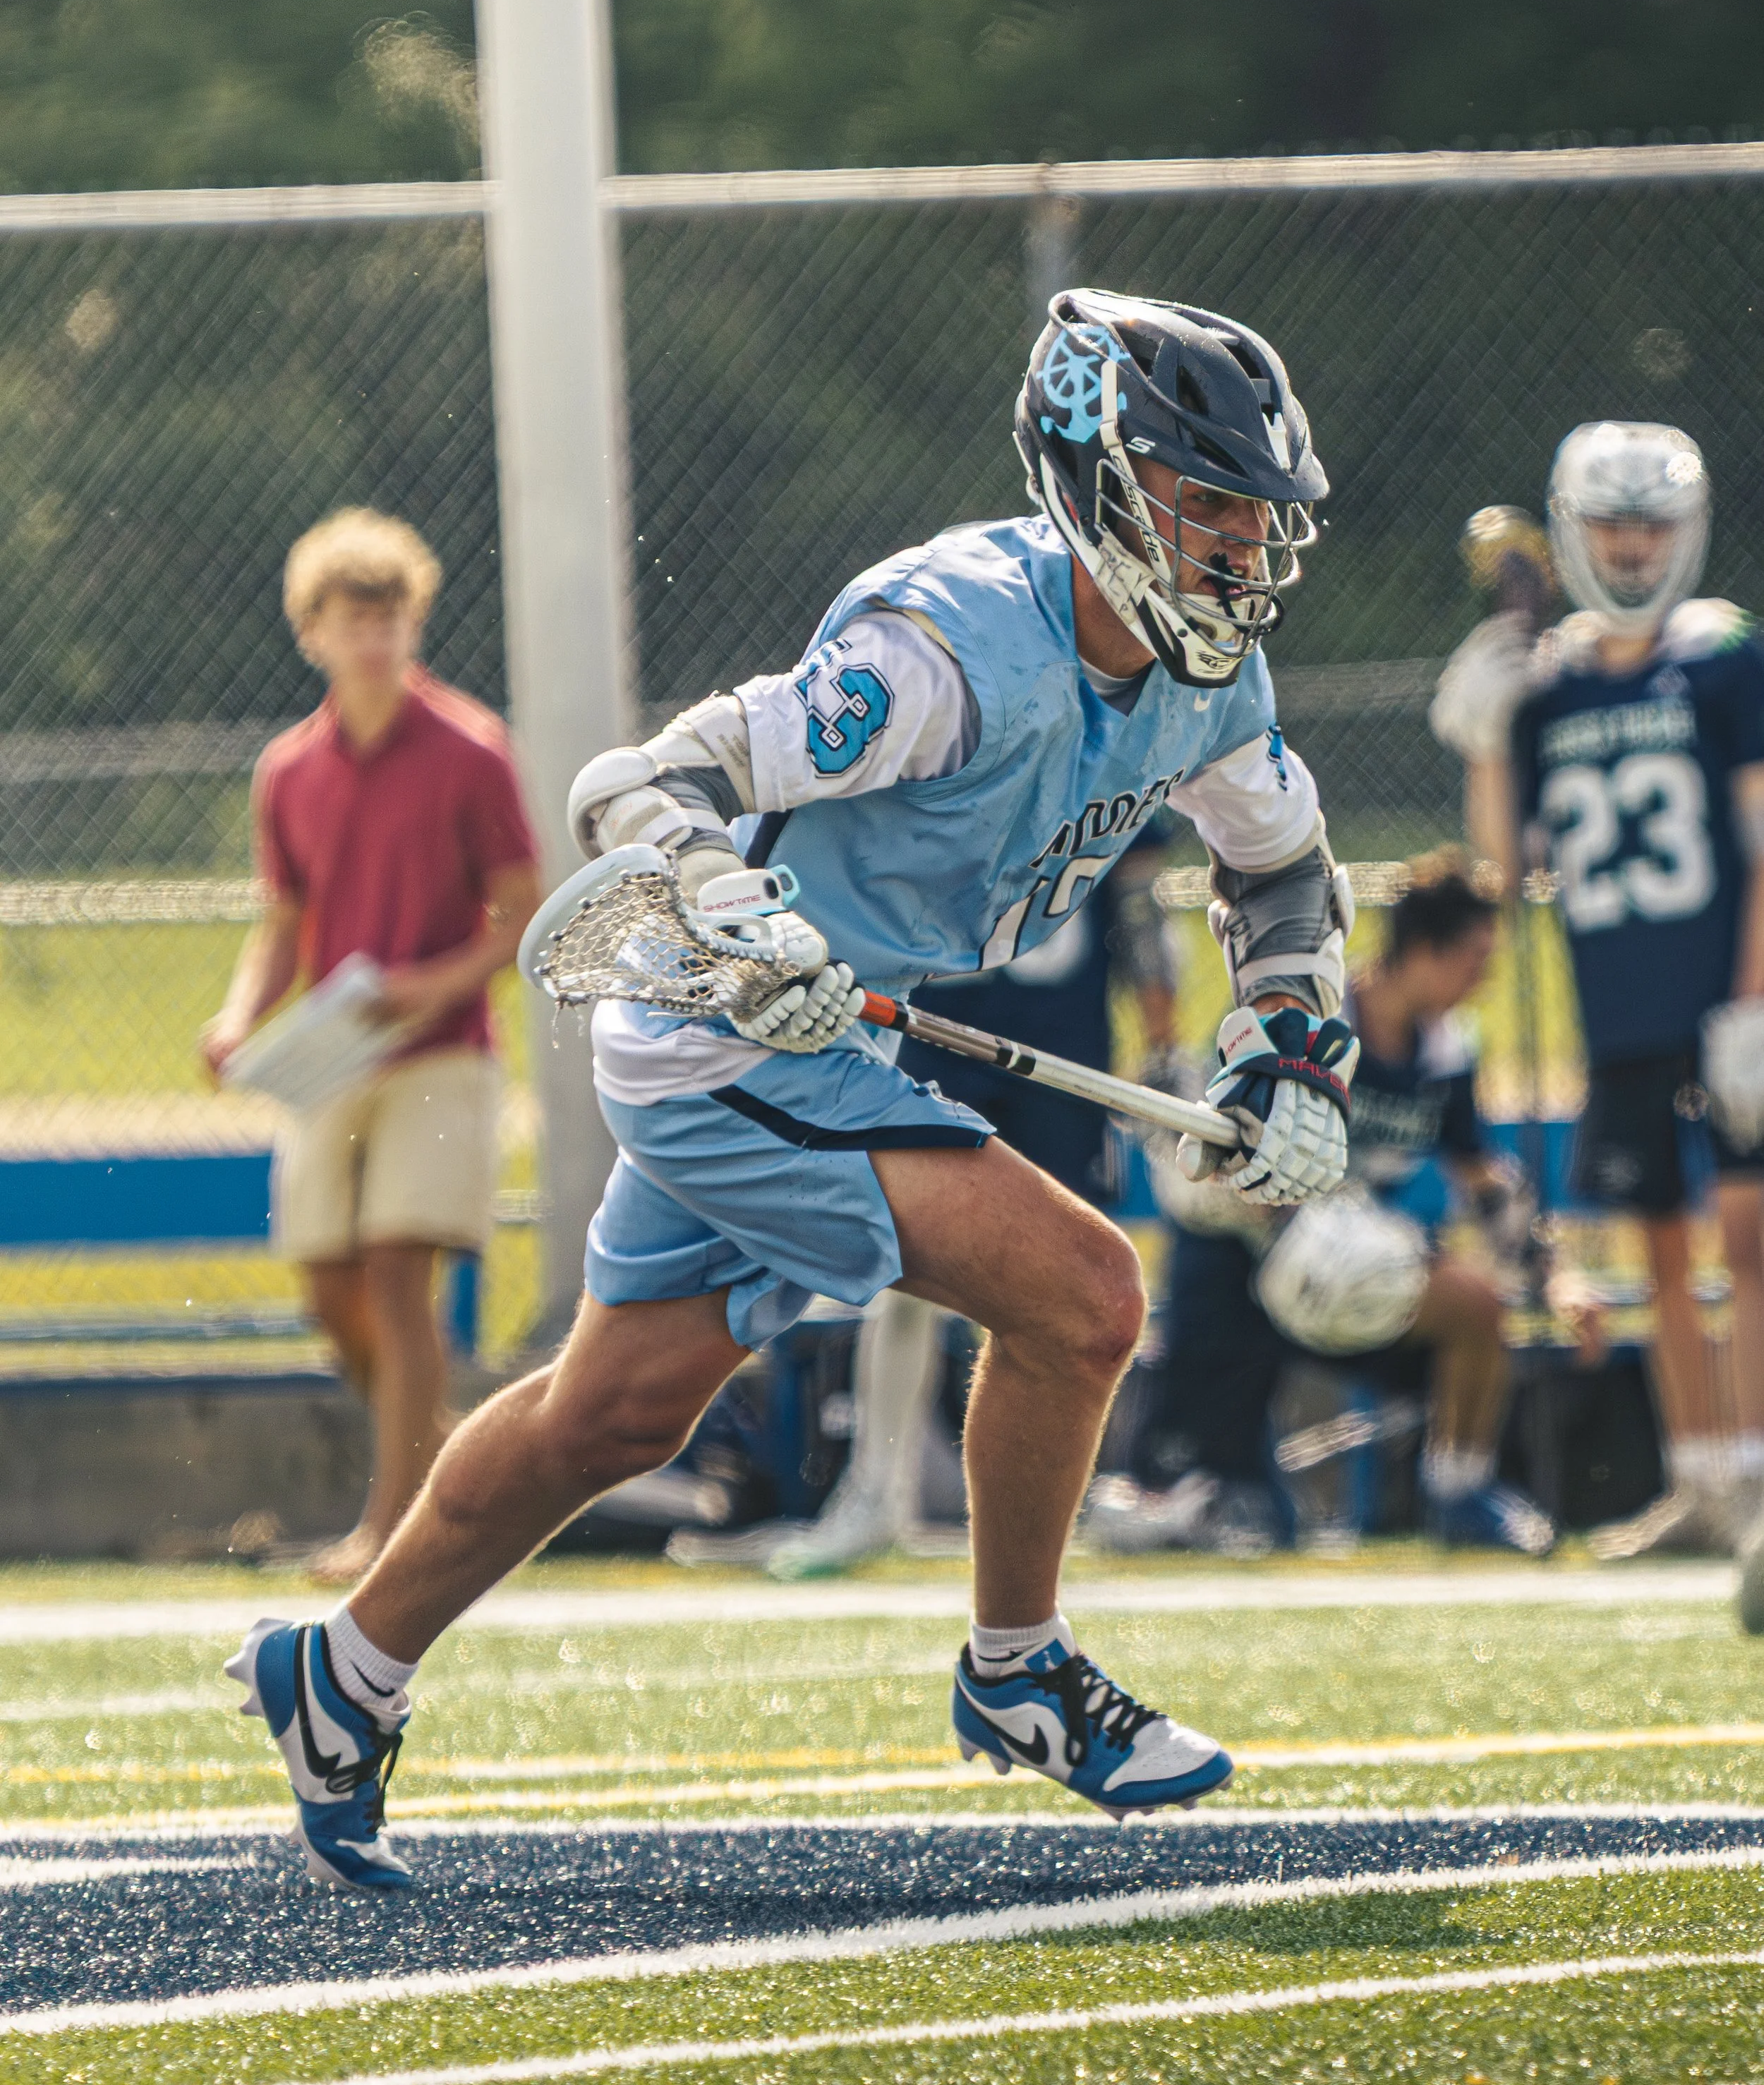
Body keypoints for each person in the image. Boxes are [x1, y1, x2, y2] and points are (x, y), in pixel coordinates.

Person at [226, 289, 1361, 1887]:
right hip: (733, 1025)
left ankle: (338, 1670)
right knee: (1087, 1294)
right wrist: (744, 919)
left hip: (853, 1036)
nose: (1241, 543)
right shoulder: (950, 645)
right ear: (1095, 473)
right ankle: (1018, 1666)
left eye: (1256, 510)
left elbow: (1280, 862)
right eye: (1208, 499)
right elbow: (646, 783)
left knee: (612, 1409)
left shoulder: (1206, 679)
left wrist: (1293, 1034)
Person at [1433, 423, 1764, 1559]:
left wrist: (1756, 1001)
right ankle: (1707, 1480)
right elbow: (1500, 867)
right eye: (1612, 525)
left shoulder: (1724, 651)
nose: (1631, 549)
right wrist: (1485, 736)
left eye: (1651, 526)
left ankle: (1759, 1473)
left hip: (1726, 1000)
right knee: (1663, 1247)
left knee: (1750, 1235)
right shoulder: (1552, 679)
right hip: (1621, 1002)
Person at [701, 818, 1185, 1583]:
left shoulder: (1107, 737)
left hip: (1062, 1049)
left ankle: (1070, 1490)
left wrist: (1164, 1042)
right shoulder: (951, 726)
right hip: (940, 1031)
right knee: (908, 1273)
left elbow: (1136, 897)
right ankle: (873, 1492)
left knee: (1068, 1286)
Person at [203, 509, 541, 1586]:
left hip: (444, 1050)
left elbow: (524, 913)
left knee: (400, 1277)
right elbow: (283, 923)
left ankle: (390, 1527)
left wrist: (425, 988)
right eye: (354, 619)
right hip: (331, 1060)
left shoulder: (473, 750)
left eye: (391, 615)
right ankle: (435, 1453)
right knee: (327, 1286)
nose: (376, 637)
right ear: (312, 630)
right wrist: (236, 1015)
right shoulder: (287, 770)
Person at [1096, 856, 1554, 1555]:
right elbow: (1218, 1148)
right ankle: (1183, 1481)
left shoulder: (1446, 1048)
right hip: (1245, 1260)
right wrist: (1275, 1212)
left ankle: (1460, 1489)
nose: (1483, 980)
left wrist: (1551, 1277)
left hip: (1361, 1260)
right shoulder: (1308, 1020)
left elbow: (1480, 1175)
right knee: (1231, 1513)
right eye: (1474, 958)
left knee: (1478, 1307)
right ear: (1425, 949)